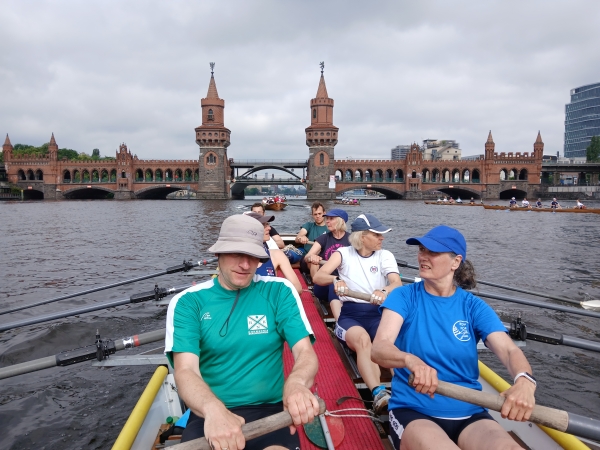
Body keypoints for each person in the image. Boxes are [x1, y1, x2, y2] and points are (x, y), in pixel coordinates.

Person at [372, 225, 536, 450]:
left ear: (455, 262)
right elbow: (379, 347)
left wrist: (525, 381)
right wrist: (411, 361)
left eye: (433, 252)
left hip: (470, 411)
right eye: (421, 250)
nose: (423, 257)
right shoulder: (404, 296)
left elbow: (509, 351)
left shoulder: (473, 307)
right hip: (413, 410)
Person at [165, 214, 319, 450]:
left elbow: (304, 352)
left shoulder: (279, 291)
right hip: (211, 412)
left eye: (253, 256)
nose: (245, 265)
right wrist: (214, 410)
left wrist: (297, 383)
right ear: (218, 254)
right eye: (237, 254)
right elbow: (185, 371)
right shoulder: (188, 302)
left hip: (271, 412)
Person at [314, 214, 403, 414]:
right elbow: (319, 276)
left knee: (390, 345)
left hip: (378, 313)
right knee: (364, 341)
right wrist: (336, 279)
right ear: (363, 236)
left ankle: (404, 389)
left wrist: (384, 291)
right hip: (350, 316)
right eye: (377, 234)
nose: (382, 238)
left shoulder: (385, 255)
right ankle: (378, 392)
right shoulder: (343, 254)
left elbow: (396, 283)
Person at [304, 209, 350, 319]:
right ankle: (340, 322)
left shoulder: (351, 240)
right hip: (324, 284)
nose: (327, 221)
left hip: (346, 283)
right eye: (327, 219)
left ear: (341, 221)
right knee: (334, 283)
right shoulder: (324, 238)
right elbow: (307, 257)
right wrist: (312, 257)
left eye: (331, 219)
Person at [246, 212, 303, 294]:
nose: (269, 228)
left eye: (268, 224)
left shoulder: (276, 255)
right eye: (264, 225)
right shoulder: (234, 258)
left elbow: (297, 288)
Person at [295, 202, 328, 272]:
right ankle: (317, 280)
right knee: (314, 263)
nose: (318, 216)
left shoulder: (330, 228)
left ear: (324, 213)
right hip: (307, 259)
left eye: (320, 214)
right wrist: (301, 237)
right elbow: (298, 237)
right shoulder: (308, 225)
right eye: (315, 214)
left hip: (324, 259)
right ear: (312, 215)